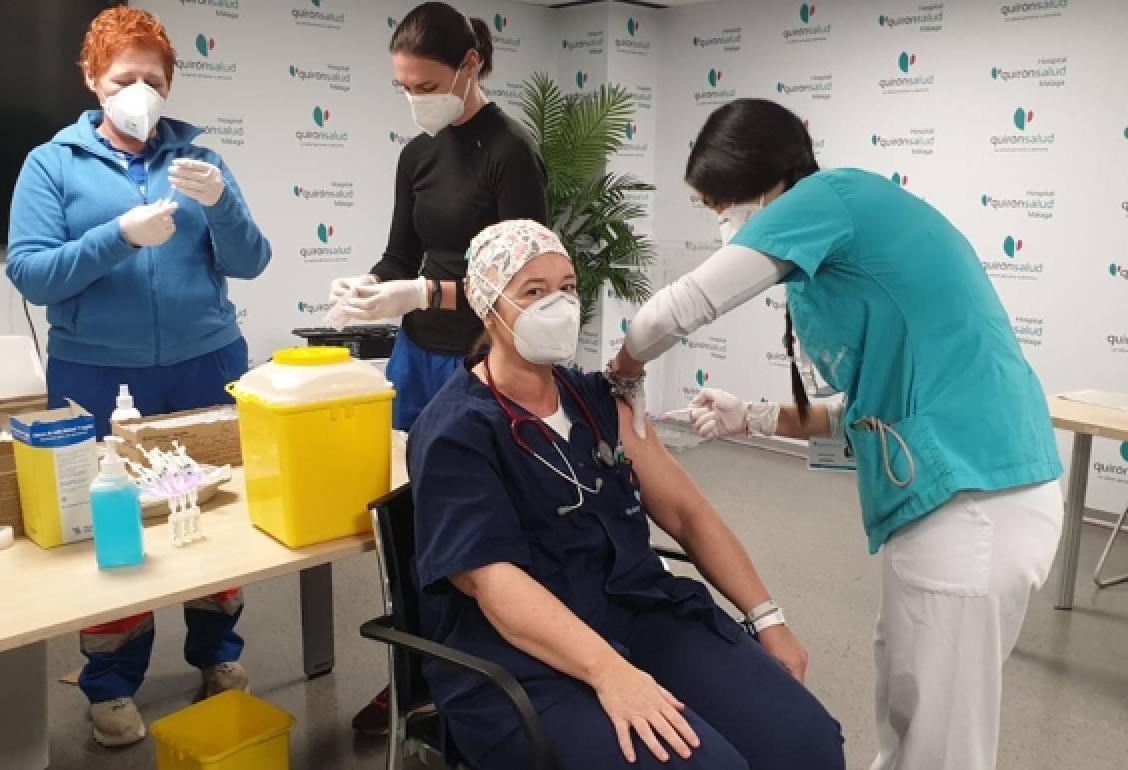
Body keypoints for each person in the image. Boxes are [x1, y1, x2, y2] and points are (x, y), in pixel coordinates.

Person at [608, 98, 1063, 770]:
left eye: (715, 205)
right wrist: (753, 417)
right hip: (956, 497)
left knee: (942, 742)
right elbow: (866, 415)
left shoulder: (831, 196)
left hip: (975, 501)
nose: (722, 225)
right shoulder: (833, 257)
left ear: (754, 180)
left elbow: (686, 305)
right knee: (910, 708)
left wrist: (621, 370)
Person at [408, 219, 845, 770]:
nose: (560, 305)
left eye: (567, 286)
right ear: (488, 307)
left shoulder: (600, 401)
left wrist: (768, 618)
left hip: (639, 613)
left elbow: (687, 514)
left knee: (807, 745)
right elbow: (497, 588)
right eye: (534, 292)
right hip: (523, 657)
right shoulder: (456, 431)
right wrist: (611, 673)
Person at [7, 7, 270, 747]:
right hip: (96, 371)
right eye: (125, 78)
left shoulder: (202, 161)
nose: (140, 91)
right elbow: (32, 273)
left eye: (154, 78)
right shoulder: (51, 164)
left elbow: (250, 261)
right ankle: (111, 683)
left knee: (212, 521)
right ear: (92, 79)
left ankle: (219, 654)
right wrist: (115, 236)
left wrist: (219, 208)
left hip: (207, 362)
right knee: (112, 527)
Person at [330, 1, 548, 733]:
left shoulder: (511, 151)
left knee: (475, 532)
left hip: (481, 366)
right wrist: (370, 289)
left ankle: (479, 677)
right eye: (403, 87)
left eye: (425, 85)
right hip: (416, 358)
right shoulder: (416, 155)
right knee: (409, 529)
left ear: (470, 66)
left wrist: (429, 289)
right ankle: (414, 677)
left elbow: (526, 282)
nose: (415, 100)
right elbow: (400, 254)